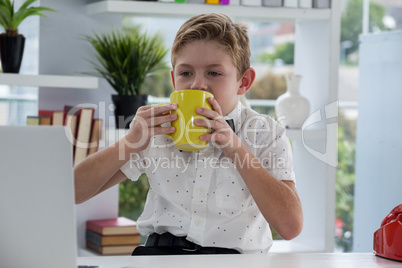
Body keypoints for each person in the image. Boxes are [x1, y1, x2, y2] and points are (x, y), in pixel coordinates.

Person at [74, 13, 303, 255]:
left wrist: (235, 147)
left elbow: (290, 226)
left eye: (214, 73)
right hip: (160, 257)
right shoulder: (157, 131)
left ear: (243, 81)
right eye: (186, 73)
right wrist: (131, 142)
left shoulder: (265, 133)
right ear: (174, 80)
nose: (197, 85)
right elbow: (74, 192)